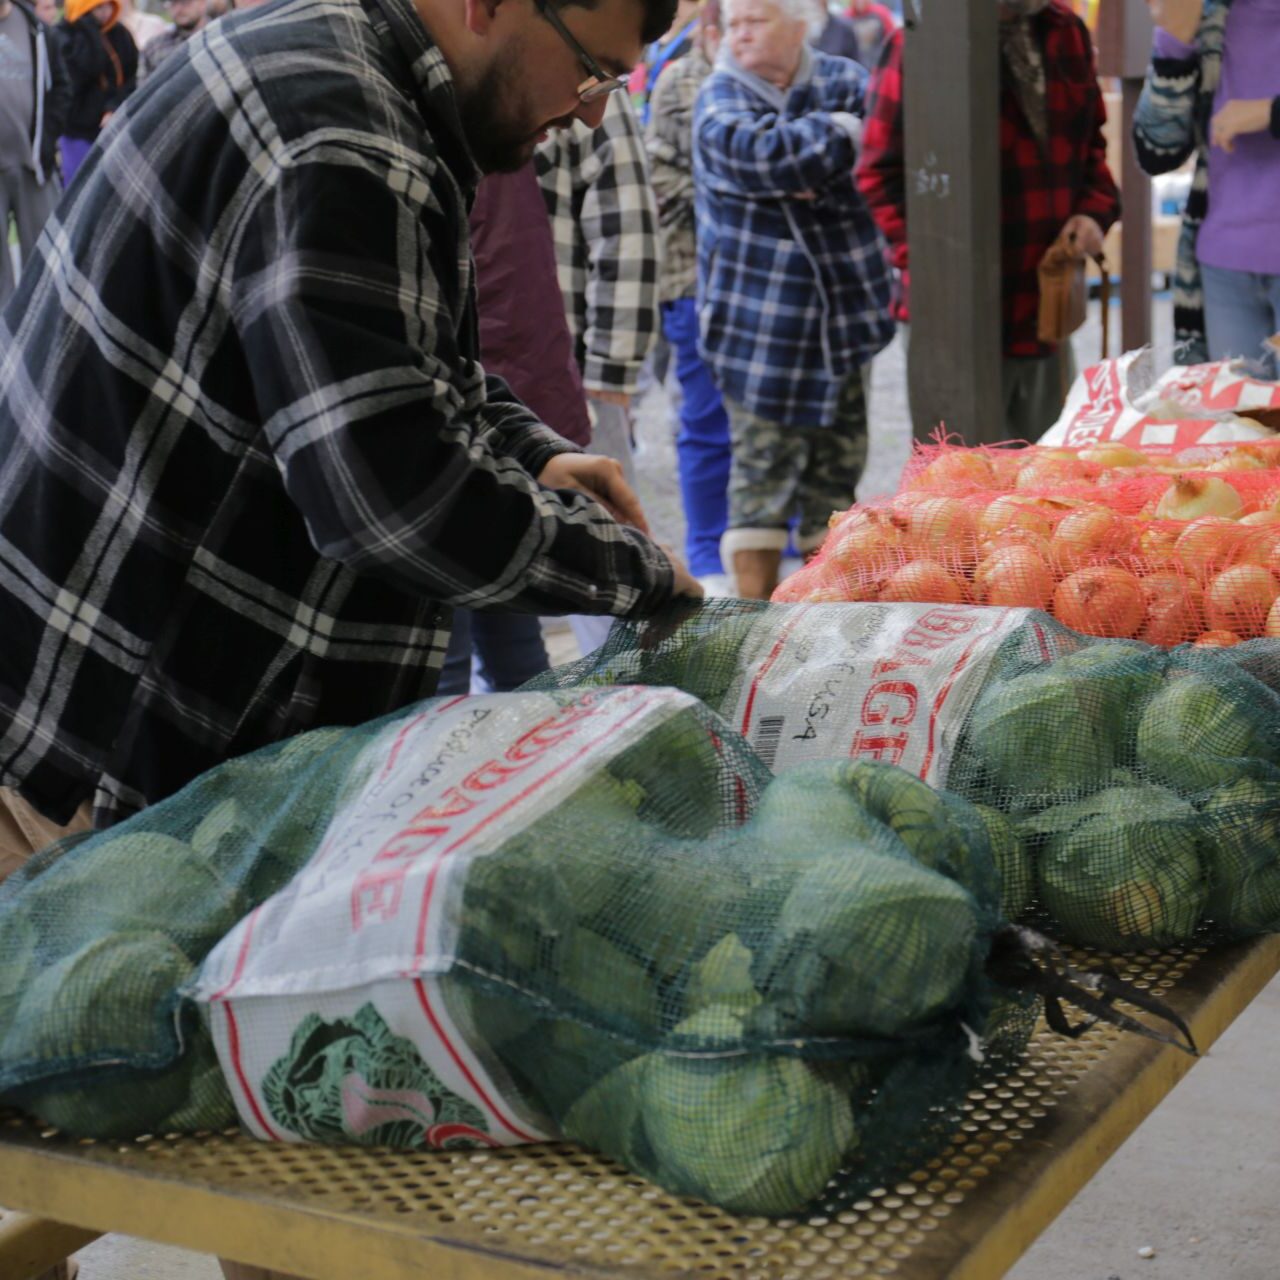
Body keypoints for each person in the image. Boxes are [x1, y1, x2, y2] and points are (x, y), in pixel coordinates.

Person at [694, 0, 893, 599]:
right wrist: (838, 135)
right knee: (759, 486)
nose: (740, 34)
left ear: (799, 24)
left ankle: (829, 627)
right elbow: (766, 161)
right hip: (761, 329)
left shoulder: (845, 78)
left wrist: (820, 162)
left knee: (835, 490)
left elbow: (875, 161)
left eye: (755, 20)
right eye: (733, 24)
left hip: (845, 321)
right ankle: (753, 628)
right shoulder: (719, 97)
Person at [856, 0, 1121, 440]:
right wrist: (928, 262)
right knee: (958, 484)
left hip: (1042, 302)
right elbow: (875, 173)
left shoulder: (1063, 31)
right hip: (951, 317)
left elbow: (1091, 147)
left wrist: (1092, 213)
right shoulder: (918, 43)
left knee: (1050, 473)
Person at [437, 162, 593, 694]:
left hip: (509, 397)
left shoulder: (487, 137)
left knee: (503, 635)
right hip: (486, 406)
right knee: (459, 643)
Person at [535, 88, 662, 648]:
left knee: (603, 554)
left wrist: (612, 371)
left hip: (573, 368)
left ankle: (624, 691)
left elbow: (626, 229)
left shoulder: (588, 84)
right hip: (494, 356)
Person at [1135, 0, 1280, 374]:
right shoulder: (1211, 10)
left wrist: (1269, 112)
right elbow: (1156, 151)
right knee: (1235, 428)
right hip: (1223, 264)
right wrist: (1174, 41)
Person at [646, 0, 733, 592]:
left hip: (762, 286)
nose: (745, 38)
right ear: (710, 29)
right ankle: (705, 549)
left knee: (771, 419)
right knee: (705, 419)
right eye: (737, 26)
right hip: (692, 280)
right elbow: (661, 179)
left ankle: (774, 535)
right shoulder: (683, 82)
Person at [0, 0, 69, 307]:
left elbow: (61, 90)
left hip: (33, 167)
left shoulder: (37, 29)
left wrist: (45, 144)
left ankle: (41, 332)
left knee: (45, 258)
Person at [54, 0, 136, 184]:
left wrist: (113, 107)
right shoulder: (64, 36)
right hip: (76, 130)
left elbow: (129, 78)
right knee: (78, 187)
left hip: (114, 127)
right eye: (98, 7)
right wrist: (88, 31)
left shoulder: (120, 35)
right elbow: (77, 77)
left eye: (109, 5)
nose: (105, 12)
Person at [139, 0, 207, 78]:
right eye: (173, 3)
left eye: (185, 2)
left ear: (202, 3)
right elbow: (145, 87)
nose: (178, 9)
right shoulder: (154, 47)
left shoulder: (218, 38)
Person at [844, 0, 893, 68]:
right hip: (856, 63)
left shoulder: (880, 13)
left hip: (877, 61)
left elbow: (891, 36)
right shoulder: (847, 16)